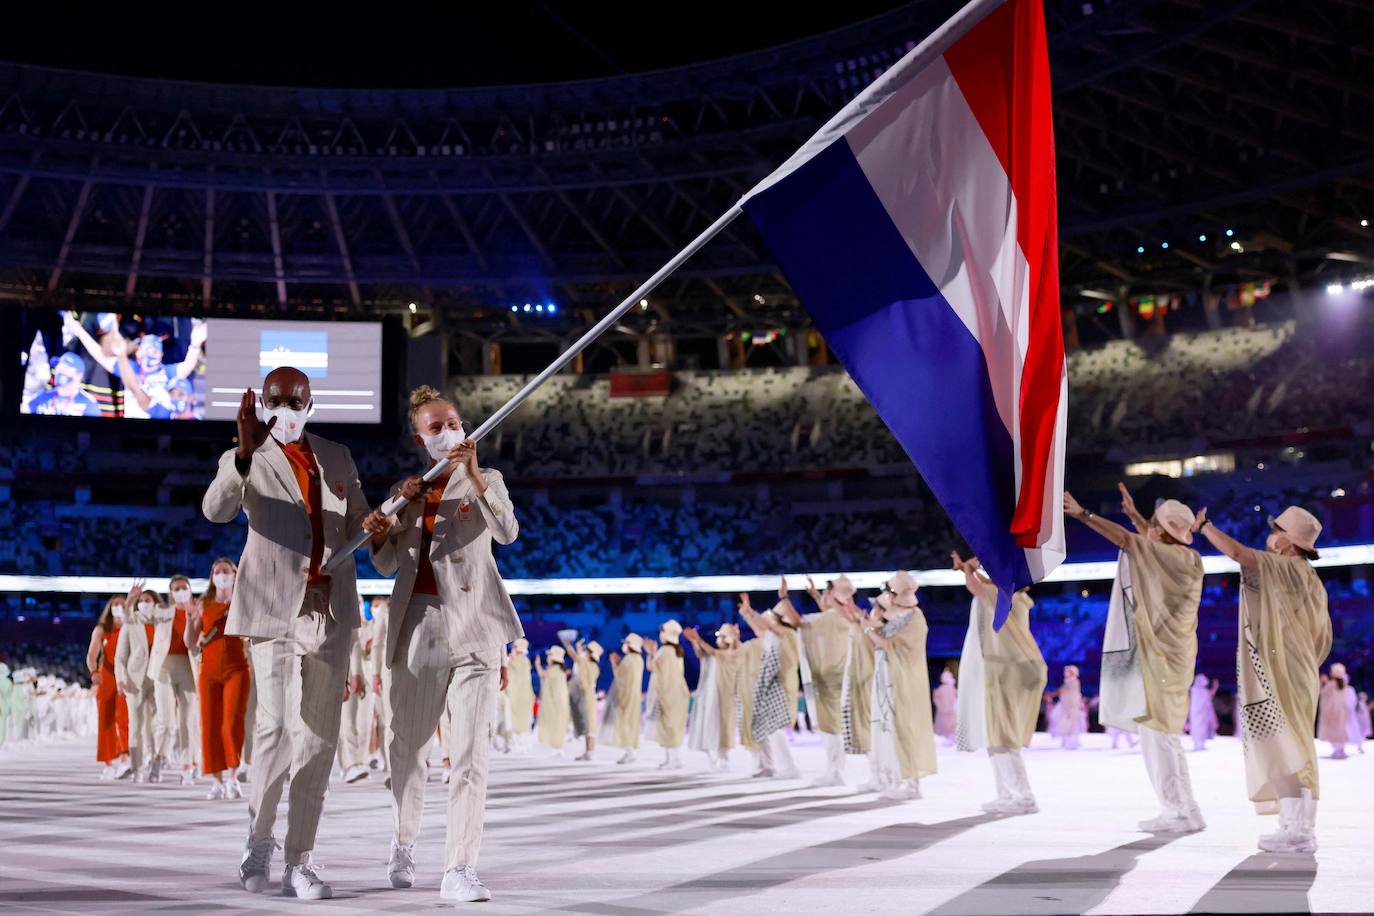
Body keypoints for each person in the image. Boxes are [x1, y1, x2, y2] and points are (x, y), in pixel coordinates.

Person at [202, 366, 373, 900]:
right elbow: (216, 510)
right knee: (277, 728)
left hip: (331, 611)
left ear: (310, 402)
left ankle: (302, 857)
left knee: (320, 739)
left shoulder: (337, 456)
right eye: (274, 399)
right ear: (261, 401)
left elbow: (361, 521)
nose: (284, 409)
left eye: (294, 400)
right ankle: (259, 839)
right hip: (273, 611)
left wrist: (378, 526)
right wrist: (245, 456)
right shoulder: (247, 454)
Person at [365, 384, 523, 904]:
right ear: (420, 438)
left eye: (454, 422)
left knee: (471, 753)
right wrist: (380, 531)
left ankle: (460, 867)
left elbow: (506, 532)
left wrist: (475, 476)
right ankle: (404, 840)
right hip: (420, 628)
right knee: (408, 751)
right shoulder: (406, 492)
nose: (450, 431)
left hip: (477, 627)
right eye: (437, 427)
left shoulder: (487, 479)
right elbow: (387, 565)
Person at [1065, 487, 1207, 833]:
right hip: (1172, 658)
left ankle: (1177, 811)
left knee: (1158, 737)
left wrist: (1083, 514)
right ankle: (1186, 809)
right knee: (1165, 736)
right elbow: (1149, 539)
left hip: (1160, 658)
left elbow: (1129, 542)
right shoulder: (1188, 558)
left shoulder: (1167, 556)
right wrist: (1136, 516)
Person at [1192, 504, 1331, 853]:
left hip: (1287, 668)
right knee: (1287, 744)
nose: (1271, 535)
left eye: (1277, 530)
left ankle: (1300, 830)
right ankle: (1294, 824)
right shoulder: (1307, 576)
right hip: (1296, 668)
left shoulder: (1287, 567)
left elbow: (1238, 553)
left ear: (1289, 542)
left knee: (1290, 745)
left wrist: (1206, 526)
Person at [952, 552, 1047, 816]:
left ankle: (1025, 796)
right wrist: (967, 569)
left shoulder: (1005, 598)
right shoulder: (1009, 596)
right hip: (1003, 670)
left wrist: (970, 567)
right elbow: (983, 584)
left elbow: (977, 586)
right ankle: (1006, 794)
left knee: (1003, 735)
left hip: (1007, 672)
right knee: (995, 735)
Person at [861, 571, 936, 801]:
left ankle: (912, 784)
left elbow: (894, 647)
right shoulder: (896, 615)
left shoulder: (914, 618)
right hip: (886, 675)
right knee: (886, 728)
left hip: (903, 679)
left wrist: (868, 630)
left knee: (904, 728)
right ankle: (890, 777)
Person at [186, 558, 251, 801]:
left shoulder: (244, 600)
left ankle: (233, 777)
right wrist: (192, 620)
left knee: (231, 722)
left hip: (237, 668)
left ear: (235, 575)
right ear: (212, 577)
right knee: (209, 724)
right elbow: (190, 643)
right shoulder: (204, 603)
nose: (221, 575)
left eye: (226, 571)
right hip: (209, 671)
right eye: (217, 572)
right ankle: (216, 781)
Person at [784, 576, 855, 787]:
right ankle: (835, 770)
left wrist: (784, 598)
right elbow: (826, 612)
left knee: (830, 727)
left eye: (827, 591)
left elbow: (798, 622)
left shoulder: (832, 619)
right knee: (834, 726)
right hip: (839, 677)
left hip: (829, 679)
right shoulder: (843, 617)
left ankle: (835, 772)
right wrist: (816, 595)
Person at [737, 592, 802, 780]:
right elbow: (761, 628)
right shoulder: (773, 633)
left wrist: (749, 612)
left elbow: (766, 626)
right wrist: (747, 614)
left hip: (781, 683)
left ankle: (789, 767)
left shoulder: (788, 633)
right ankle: (769, 766)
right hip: (771, 682)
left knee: (775, 728)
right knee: (766, 727)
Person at [149, 574, 200, 786]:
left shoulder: (198, 609)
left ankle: (188, 764)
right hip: (164, 667)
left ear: (190, 589)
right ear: (170, 593)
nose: (181, 591)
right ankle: (158, 758)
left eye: (184, 587)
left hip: (189, 667)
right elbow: (138, 618)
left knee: (189, 720)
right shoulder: (161, 611)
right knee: (167, 720)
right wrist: (133, 601)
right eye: (176, 588)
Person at [114, 582, 159, 782]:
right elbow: (120, 656)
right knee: (136, 724)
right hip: (134, 680)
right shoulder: (131, 623)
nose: (143, 604)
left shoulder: (163, 623)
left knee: (156, 725)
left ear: (156, 603)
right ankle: (136, 768)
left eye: (147, 601)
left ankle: (155, 762)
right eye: (140, 601)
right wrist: (120, 679)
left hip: (158, 678)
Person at [85, 594, 132, 780]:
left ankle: (125, 758)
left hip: (125, 676)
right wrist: (94, 671)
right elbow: (91, 654)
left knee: (124, 717)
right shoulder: (101, 629)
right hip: (106, 675)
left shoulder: (131, 627)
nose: (119, 607)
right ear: (109, 608)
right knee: (106, 718)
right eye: (116, 604)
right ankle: (108, 763)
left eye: (122, 604)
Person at [684, 624, 743, 770]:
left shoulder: (734, 653)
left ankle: (723, 757)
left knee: (723, 727)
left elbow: (715, 654)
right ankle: (713, 755)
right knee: (708, 725)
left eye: (723, 636)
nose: (720, 639)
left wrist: (699, 639)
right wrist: (694, 641)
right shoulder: (715, 654)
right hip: (710, 697)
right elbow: (703, 656)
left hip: (725, 696)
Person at [646, 621, 689, 769]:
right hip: (678, 693)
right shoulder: (678, 651)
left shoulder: (664, 651)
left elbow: (651, 667)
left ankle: (672, 760)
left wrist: (650, 653)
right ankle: (674, 758)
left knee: (668, 727)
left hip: (667, 695)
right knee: (674, 727)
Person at [336, 620, 373, 784]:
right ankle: (349, 764)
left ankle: (358, 761)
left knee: (362, 722)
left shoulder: (366, 623)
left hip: (358, 673)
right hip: (341, 670)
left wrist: (358, 674)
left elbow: (356, 644)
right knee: (346, 720)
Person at [607, 633, 645, 764]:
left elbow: (619, 677)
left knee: (625, 724)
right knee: (631, 723)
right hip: (634, 696)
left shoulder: (628, 659)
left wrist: (614, 664)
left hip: (626, 696)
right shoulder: (639, 659)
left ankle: (629, 752)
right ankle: (631, 751)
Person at [25, 352, 102, 417]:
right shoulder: (42, 396)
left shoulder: (88, 403)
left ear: (79, 375)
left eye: (65, 368)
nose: (59, 371)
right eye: (58, 367)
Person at [563, 637, 602, 762]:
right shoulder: (592, 665)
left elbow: (576, 658)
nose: (585, 652)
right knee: (587, 723)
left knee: (590, 724)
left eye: (587, 651)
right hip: (587, 695)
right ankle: (588, 751)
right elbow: (579, 659)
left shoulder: (589, 664)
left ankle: (591, 751)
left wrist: (570, 646)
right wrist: (579, 649)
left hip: (587, 695)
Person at [535, 647, 571, 755]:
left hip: (554, 702)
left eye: (550, 655)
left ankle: (557, 747)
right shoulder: (561, 671)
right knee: (559, 724)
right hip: (561, 701)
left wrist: (537, 664)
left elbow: (542, 675)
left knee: (554, 724)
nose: (548, 657)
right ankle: (558, 746)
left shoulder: (553, 670)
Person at [1318, 663, 1357, 759]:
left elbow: (1323, 694)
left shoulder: (1330, 684)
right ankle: (1341, 750)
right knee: (1341, 729)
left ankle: (1337, 750)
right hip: (1343, 710)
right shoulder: (1344, 685)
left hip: (1332, 711)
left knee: (1333, 730)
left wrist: (1322, 683)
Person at [506, 639, 536, 753]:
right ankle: (519, 744)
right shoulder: (524, 661)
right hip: (520, 695)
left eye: (514, 647)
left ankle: (522, 744)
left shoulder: (521, 661)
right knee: (518, 720)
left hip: (520, 695)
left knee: (520, 720)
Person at [1047, 666, 1084, 749]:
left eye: (1068, 671)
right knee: (1062, 721)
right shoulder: (1068, 681)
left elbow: (1062, 691)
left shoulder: (1074, 682)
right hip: (1065, 705)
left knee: (1071, 723)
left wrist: (1050, 694)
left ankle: (1072, 742)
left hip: (1071, 706)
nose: (1066, 672)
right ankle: (1065, 740)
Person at [1187, 675, 1219, 752]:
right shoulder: (1202, 691)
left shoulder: (1193, 689)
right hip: (1200, 714)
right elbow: (1211, 694)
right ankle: (1199, 744)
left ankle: (1198, 744)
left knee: (1197, 728)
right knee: (1200, 728)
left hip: (1196, 714)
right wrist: (1215, 686)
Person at [932, 670, 958, 746]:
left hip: (949, 711)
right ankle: (944, 739)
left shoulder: (951, 689)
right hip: (944, 710)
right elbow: (936, 698)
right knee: (944, 725)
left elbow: (956, 698)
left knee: (950, 725)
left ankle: (949, 738)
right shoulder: (941, 689)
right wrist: (939, 706)